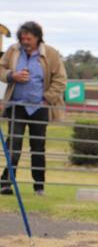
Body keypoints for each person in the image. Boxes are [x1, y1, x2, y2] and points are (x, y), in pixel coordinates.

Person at [0, 21, 67, 195]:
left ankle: (39, 186)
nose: (25, 42)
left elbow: (60, 80)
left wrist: (47, 98)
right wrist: (11, 75)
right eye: (22, 38)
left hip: (39, 107)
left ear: (37, 38)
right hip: (17, 106)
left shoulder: (50, 54)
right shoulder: (13, 51)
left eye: (28, 38)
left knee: (38, 147)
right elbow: (1, 68)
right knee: (13, 144)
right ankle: (6, 183)